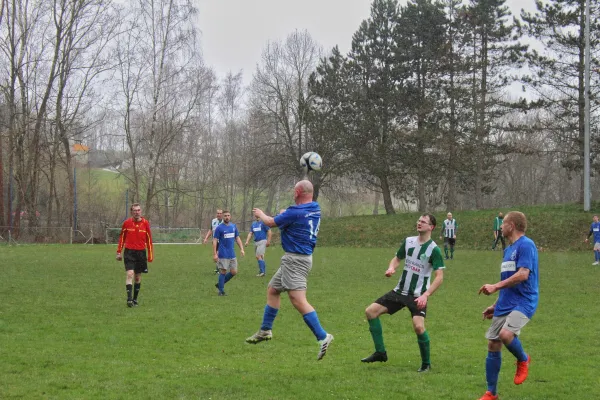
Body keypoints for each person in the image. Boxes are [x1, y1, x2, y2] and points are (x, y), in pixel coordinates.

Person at [245, 180, 334, 361]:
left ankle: (323, 336)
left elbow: (270, 222)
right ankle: (265, 330)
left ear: (297, 192)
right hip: (298, 259)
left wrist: (260, 213)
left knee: (298, 300)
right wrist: (285, 214)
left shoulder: (294, 212)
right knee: (273, 290)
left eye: (294, 190)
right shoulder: (315, 208)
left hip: (296, 260)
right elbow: (293, 215)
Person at [361, 214, 445, 372]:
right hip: (399, 292)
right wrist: (392, 267)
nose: (419, 223)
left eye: (423, 222)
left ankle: (426, 364)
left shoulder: (434, 249)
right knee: (370, 312)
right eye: (419, 220)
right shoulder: (408, 241)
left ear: (431, 227)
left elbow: (439, 277)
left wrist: (425, 295)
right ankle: (380, 352)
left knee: (419, 327)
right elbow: (397, 258)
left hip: (418, 295)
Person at [477, 211, 539, 400]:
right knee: (493, 344)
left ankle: (523, 359)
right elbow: (508, 281)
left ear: (511, 225)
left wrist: (495, 286)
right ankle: (491, 394)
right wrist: (496, 305)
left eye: (503, 224)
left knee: (505, 335)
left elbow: (522, 275)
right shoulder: (507, 250)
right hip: (506, 302)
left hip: (524, 301)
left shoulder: (527, 245)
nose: (500, 227)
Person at [116, 203, 154, 308]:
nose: (137, 212)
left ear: (141, 211)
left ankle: (135, 299)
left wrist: (150, 255)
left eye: (138, 210)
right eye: (134, 210)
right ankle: (129, 299)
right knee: (130, 274)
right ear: (131, 212)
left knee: (137, 277)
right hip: (129, 252)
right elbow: (121, 238)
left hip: (141, 253)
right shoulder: (127, 223)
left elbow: (149, 240)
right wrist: (118, 252)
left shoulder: (146, 223)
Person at [213, 210, 245, 296]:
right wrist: (215, 253)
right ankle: (221, 291)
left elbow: (237, 238)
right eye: (225, 216)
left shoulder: (233, 226)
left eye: (228, 215)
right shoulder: (219, 228)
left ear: (230, 216)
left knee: (234, 272)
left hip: (232, 253)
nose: (227, 217)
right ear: (223, 217)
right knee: (223, 271)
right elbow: (215, 240)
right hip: (223, 253)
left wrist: (241, 249)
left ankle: (220, 285)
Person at [203, 209, 223, 273]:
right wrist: (206, 238)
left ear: (222, 214)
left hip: (223, 241)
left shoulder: (224, 221)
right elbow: (211, 230)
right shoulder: (213, 221)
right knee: (216, 255)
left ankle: (220, 269)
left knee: (218, 254)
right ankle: (218, 269)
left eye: (220, 213)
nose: (219, 214)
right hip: (215, 241)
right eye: (218, 213)